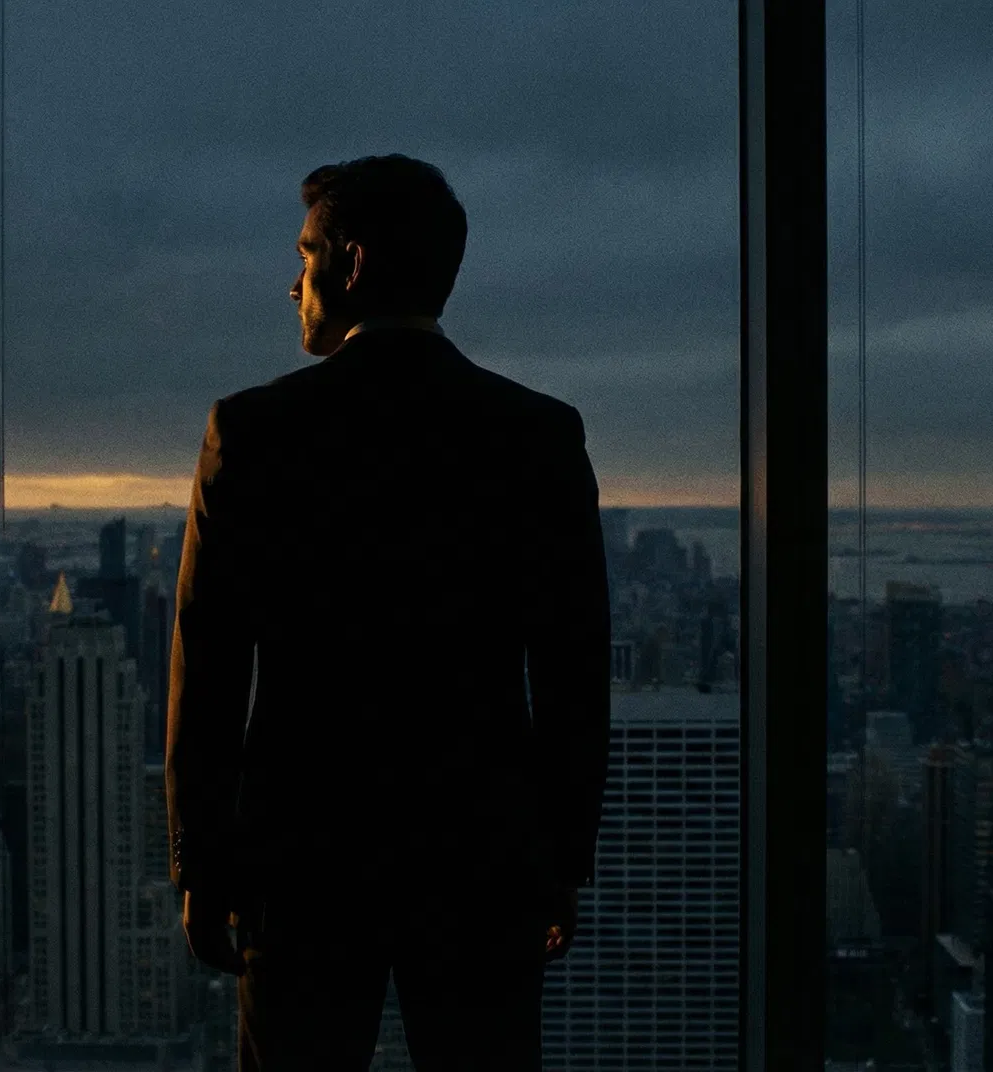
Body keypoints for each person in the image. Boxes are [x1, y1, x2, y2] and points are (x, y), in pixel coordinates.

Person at [166, 154, 611, 1070]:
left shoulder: (253, 432)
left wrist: (200, 864)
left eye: (306, 254)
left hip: (304, 859)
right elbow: (573, 669)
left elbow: (209, 670)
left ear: (353, 263)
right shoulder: (536, 434)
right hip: (480, 855)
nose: (293, 282)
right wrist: (560, 858)